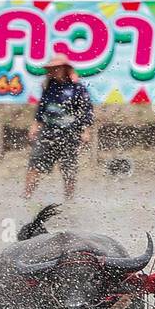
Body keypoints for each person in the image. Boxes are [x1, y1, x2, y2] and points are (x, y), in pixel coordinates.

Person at [23, 54, 94, 201]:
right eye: (51, 68)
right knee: (35, 164)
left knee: (68, 168)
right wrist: (35, 125)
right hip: (48, 132)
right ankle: (26, 195)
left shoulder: (77, 88)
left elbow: (86, 109)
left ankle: (69, 199)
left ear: (64, 68)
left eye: (56, 68)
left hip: (70, 133)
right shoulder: (49, 86)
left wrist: (86, 131)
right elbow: (42, 107)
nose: (53, 71)